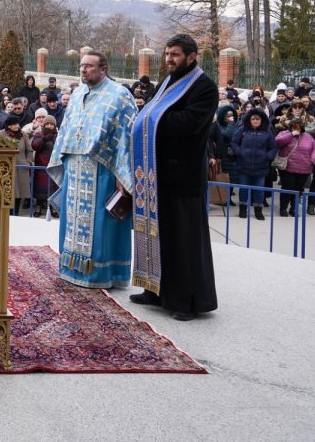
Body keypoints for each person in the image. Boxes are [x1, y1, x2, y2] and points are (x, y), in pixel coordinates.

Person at [129, 34, 218, 321]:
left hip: (184, 175)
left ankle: (186, 300)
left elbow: (190, 123)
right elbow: (153, 112)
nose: (169, 59)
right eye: (167, 54)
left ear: (192, 57)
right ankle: (154, 289)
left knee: (184, 239)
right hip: (157, 174)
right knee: (158, 232)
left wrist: (152, 117)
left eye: (175, 55)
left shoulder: (204, 87)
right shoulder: (167, 82)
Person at [45, 51, 137, 288]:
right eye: (81, 66)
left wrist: (122, 173)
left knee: (101, 224)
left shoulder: (120, 96)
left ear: (103, 68)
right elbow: (66, 130)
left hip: (102, 169)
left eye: (89, 66)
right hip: (74, 169)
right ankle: (71, 269)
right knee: (72, 221)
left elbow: (127, 136)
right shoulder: (76, 95)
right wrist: (60, 159)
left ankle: (102, 274)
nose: (83, 70)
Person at [230, 109, 276, 220]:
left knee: (259, 190)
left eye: (258, 119)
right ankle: (242, 210)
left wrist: (267, 157)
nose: (255, 121)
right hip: (244, 165)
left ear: (262, 120)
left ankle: (258, 211)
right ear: (249, 120)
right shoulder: (242, 130)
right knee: (244, 189)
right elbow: (234, 142)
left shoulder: (267, 132)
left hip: (261, 166)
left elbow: (273, 148)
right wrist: (239, 152)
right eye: (253, 119)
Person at [274, 117, 315, 218]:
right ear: (291, 126)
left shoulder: (308, 136)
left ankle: (293, 208)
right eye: (294, 126)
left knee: (298, 190)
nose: (297, 127)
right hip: (288, 168)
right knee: (287, 188)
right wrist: (291, 134)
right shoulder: (284, 133)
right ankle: (283, 208)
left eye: (299, 126)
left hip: (304, 168)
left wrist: (312, 160)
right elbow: (278, 142)